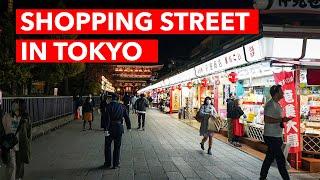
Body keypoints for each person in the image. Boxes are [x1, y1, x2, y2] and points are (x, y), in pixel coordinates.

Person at [260, 85, 291, 180]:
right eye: (281, 91)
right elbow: (267, 119)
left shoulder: (277, 104)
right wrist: (281, 119)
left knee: (269, 157)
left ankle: (262, 176)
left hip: (276, 135)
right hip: (271, 136)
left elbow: (277, 119)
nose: (283, 93)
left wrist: (282, 120)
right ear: (276, 93)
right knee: (280, 159)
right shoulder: (270, 104)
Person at [1, 99, 32, 180]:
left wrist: (27, 142)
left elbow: (29, 132)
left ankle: (19, 178)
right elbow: (3, 129)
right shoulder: (7, 116)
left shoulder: (26, 117)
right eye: (13, 104)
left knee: (20, 165)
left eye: (16, 104)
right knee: (12, 166)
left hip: (21, 145)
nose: (14, 106)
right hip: (10, 145)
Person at [103, 93, 131, 169]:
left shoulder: (108, 106)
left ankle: (108, 163)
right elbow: (126, 117)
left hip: (110, 128)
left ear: (111, 99)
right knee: (117, 147)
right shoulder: (122, 106)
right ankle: (115, 164)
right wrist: (129, 127)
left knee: (107, 146)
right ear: (118, 99)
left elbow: (106, 119)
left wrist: (105, 129)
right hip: (119, 128)